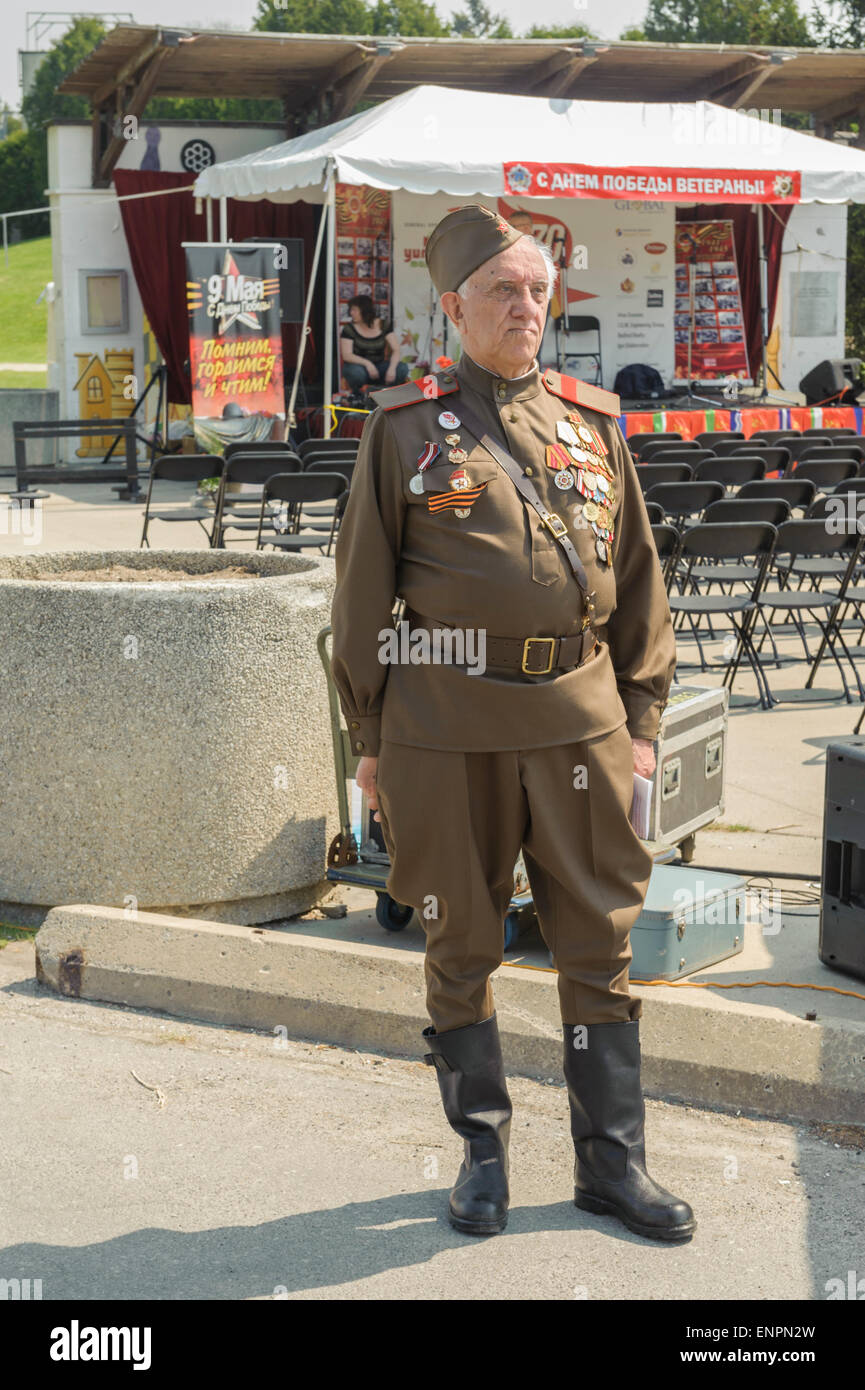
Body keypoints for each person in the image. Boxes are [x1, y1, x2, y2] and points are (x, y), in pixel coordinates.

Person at [330, 205, 694, 1243]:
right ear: (453, 307)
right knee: (459, 940)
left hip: (579, 719)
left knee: (599, 940)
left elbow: (637, 590)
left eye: (537, 289)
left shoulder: (593, 424)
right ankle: (482, 1155)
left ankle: (611, 1166)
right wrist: (369, 742)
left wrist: (641, 721)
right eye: (502, 290)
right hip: (444, 721)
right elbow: (360, 602)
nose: (525, 307)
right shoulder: (403, 429)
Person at [340, 295, 408, 393]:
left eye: (354, 310)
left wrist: (392, 369)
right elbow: (347, 355)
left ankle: (388, 394)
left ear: (365, 310)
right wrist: (368, 364)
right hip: (358, 366)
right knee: (356, 373)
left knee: (402, 368)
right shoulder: (349, 328)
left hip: (379, 365)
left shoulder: (383, 324)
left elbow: (396, 349)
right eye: (351, 310)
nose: (351, 313)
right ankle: (359, 396)